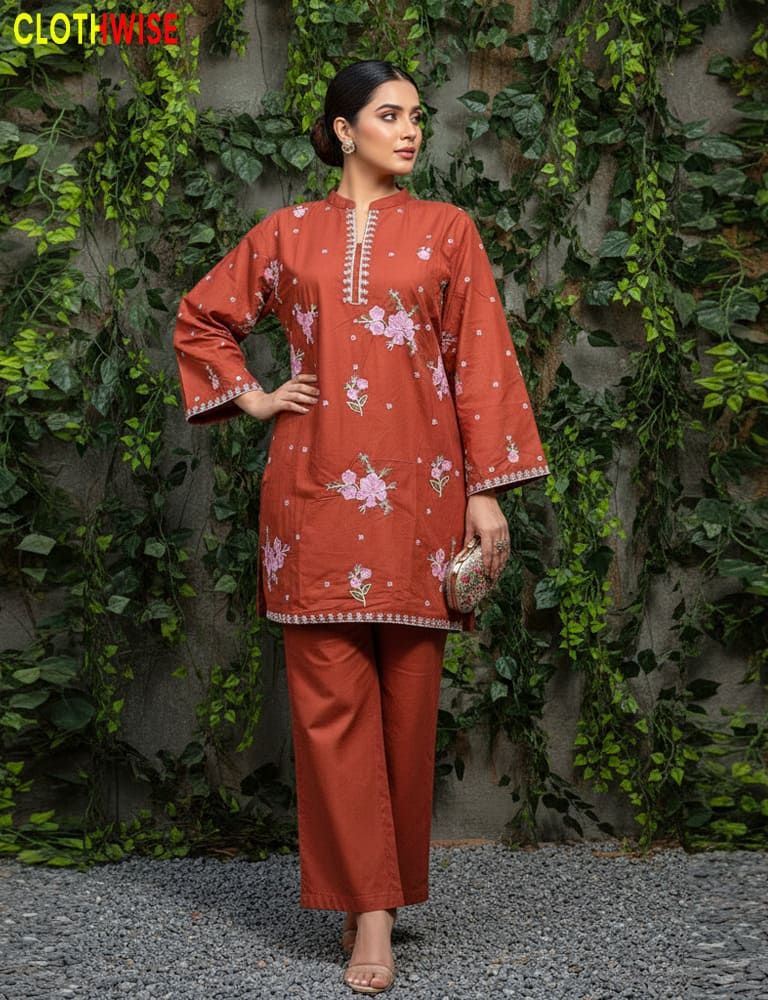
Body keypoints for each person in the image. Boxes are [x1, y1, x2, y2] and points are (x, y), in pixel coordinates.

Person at [173, 59, 548, 996]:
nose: (411, 131)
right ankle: (367, 918)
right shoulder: (289, 234)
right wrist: (255, 399)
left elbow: (481, 359)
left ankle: (379, 894)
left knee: (408, 709)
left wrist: (486, 490)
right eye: (389, 116)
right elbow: (201, 318)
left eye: (417, 116)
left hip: (422, 502)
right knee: (330, 713)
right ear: (343, 130)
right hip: (311, 500)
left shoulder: (448, 232)